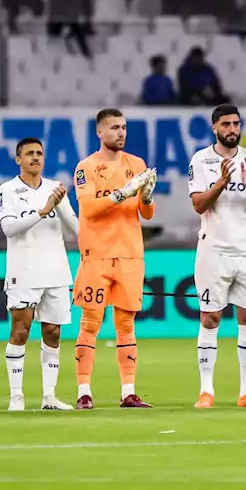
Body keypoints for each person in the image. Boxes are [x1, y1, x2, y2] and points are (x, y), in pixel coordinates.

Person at [188, 104, 246, 409]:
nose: (233, 129)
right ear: (214, 127)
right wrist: (221, 184)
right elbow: (198, 205)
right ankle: (206, 391)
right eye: (226, 124)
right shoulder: (201, 160)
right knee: (210, 317)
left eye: (236, 124)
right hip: (215, 250)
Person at [72, 109, 158, 409]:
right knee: (90, 322)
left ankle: (128, 392)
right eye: (113, 128)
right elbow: (90, 209)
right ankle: (84, 391)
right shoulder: (86, 167)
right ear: (100, 133)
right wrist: (123, 194)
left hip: (130, 254)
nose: (120, 133)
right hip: (97, 254)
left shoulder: (136, 164)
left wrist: (146, 197)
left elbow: (147, 213)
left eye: (123, 127)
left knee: (126, 323)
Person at [0, 137, 78, 411]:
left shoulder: (55, 189)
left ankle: (49, 397)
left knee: (53, 332)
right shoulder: (6, 191)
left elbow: (76, 228)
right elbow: (9, 229)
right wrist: (42, 211)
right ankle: (16, 396)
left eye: (39, 153)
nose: (35, 158)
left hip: (56, 270)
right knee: (20, 331)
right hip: (24, 271)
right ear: (18, 160)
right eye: (29, 154)